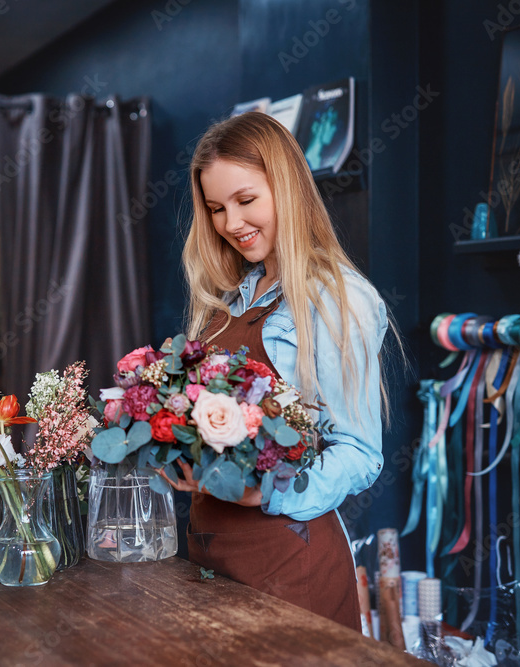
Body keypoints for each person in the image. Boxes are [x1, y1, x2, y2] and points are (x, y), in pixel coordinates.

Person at [161, 112, 397, 631]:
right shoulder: (230, 297)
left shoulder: (336, 298)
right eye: (217, 208)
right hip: (211, 557)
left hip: (292, 572)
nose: (231, 224)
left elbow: (360, 455)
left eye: (246, 201)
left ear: (287, 188)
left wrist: (266, 492)